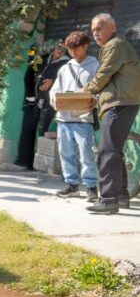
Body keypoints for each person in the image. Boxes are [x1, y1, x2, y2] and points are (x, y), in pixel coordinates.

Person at [82, 13, 140, 214]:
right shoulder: (114, 47)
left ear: (112, 28)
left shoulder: (115, 45)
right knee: (115, 150)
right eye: (93, 30)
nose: (96, 33)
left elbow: (104, 74)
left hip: (120, 103)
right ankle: (121, 196)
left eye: (100, 28)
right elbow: (112, 80)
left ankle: (108, 200)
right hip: (122, 101)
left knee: (107, 151)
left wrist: (85, 90)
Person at [49, 31, 99, 202]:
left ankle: (91, 187)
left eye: (77, 49)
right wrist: (54, 101)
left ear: (86, 46)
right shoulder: (65, 68)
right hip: (63, 118)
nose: (73, 53)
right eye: (70, 50)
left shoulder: (95, 66)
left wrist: (95, 100)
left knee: (86, 153)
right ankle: (72, 185)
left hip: (84, 118)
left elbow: (101, 89)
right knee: (66, 153)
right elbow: (55, 90)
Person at [14, 46, 47, 169]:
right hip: (30, 103)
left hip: (37, 103)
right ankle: (24, 161)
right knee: (27, 132)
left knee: (30, 132)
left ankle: (25, 161)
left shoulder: (43, 65)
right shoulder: (34, 65)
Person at [35, 42, 69, 136]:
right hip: (37, 96)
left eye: (64, 50)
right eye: (59, 48)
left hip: (49, 98)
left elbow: (66, 80)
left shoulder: (66, 63)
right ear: (54, 48)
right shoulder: (44, 58)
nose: (60, 51)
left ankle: (42, 143)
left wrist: (52, 81)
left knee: (43, 125)